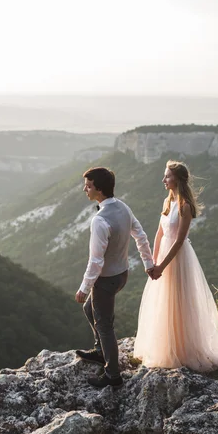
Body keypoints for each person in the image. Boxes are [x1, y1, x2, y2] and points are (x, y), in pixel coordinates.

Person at [134, 160, 218, 371]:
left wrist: (162, 265)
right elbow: (160, 233)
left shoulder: (185, 206)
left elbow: (179, 241)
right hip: (162, 257)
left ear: (177, 179)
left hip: (178, 258)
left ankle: (184, 349)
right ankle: (167, 345)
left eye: (167, 176)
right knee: (163, 300)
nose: (163, 180)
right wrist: (153, 261)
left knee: (179, 300)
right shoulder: (167, 203)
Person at [75, 166, 155, 388]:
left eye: (88, 185)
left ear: (98, 189)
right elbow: (140, 234)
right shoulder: (123, 207)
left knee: (105, 325)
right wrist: (148, 263)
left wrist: (84, 287)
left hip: (105, 280)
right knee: (89, 309)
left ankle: (112, 375)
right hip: (122, 274)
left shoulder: (99, 220)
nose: (85, 189)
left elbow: (96, 262)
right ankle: (101, 350)